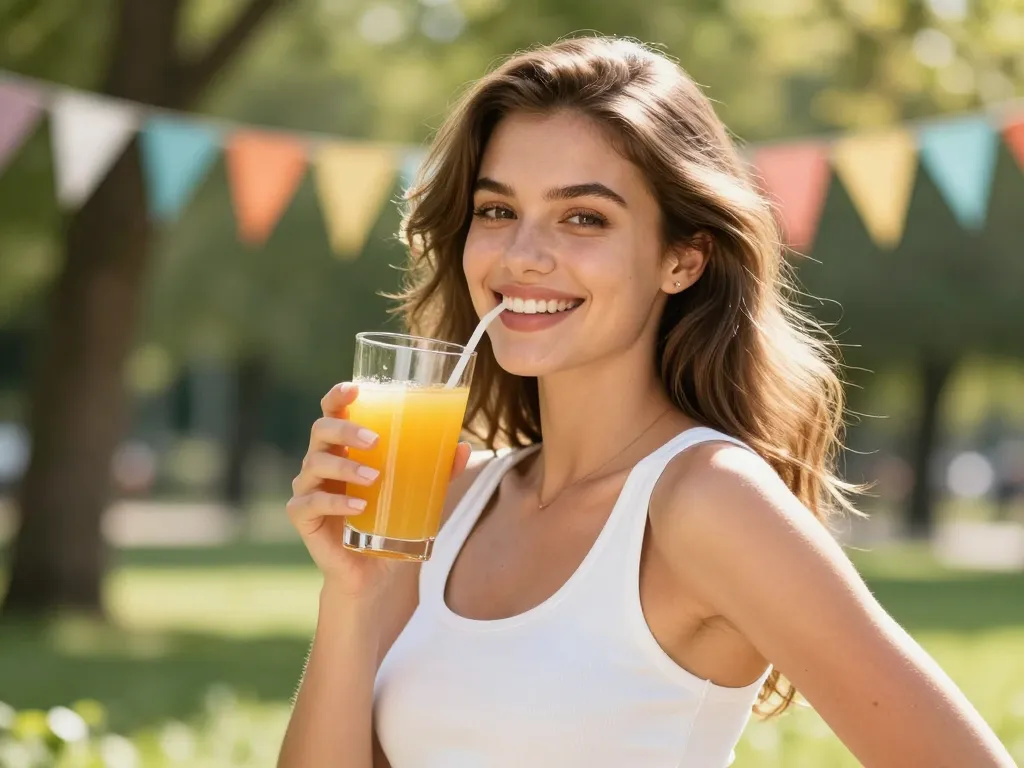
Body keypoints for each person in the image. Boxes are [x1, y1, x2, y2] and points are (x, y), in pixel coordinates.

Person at [278, 36, 1015, 768]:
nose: (522, 255)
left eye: (583, 218)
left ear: (681, 258)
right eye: (497, 210)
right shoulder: (446, 501)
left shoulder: (710, 502)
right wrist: (350, 599)